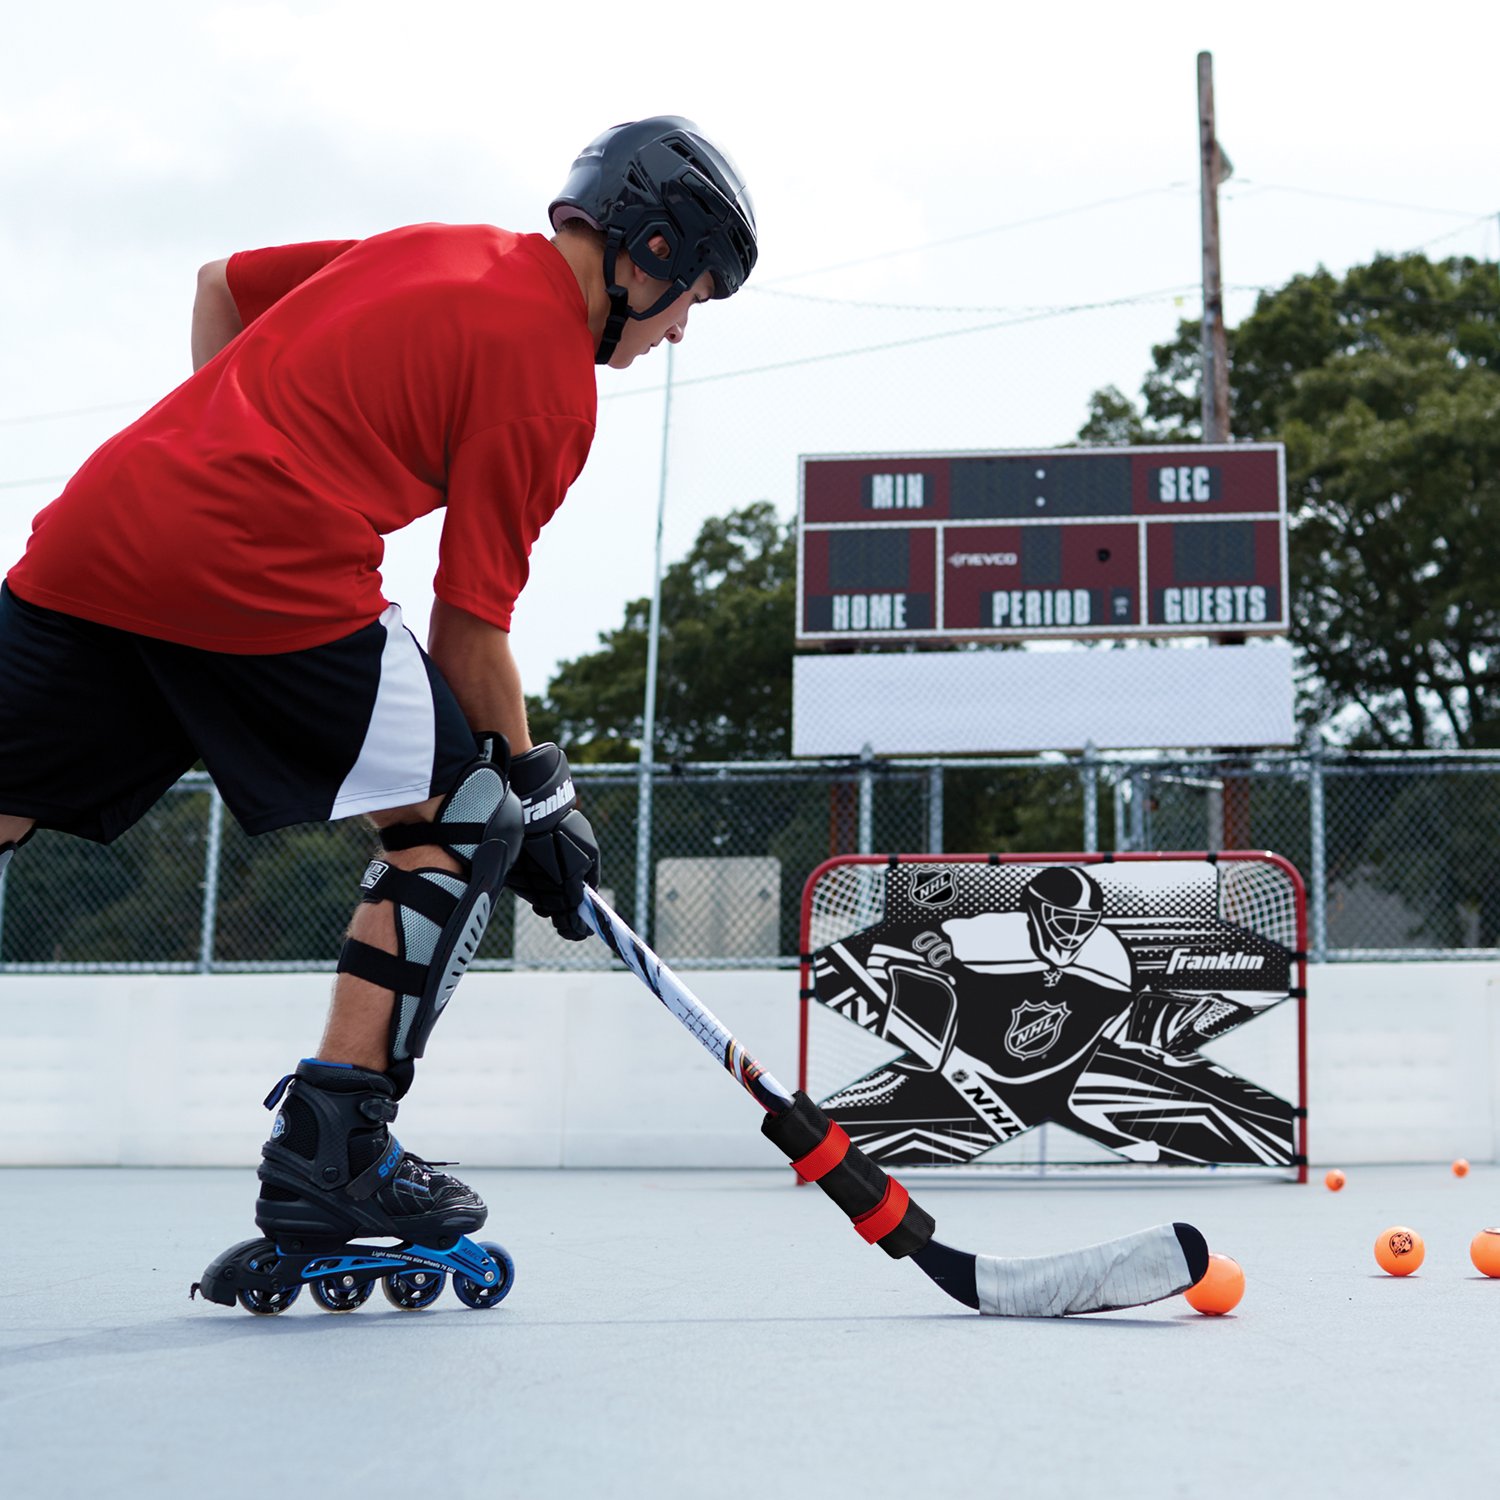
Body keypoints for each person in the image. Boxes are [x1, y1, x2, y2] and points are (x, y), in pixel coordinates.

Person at [0, 116, 757, 1300]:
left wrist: (225, 446)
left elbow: (220, 286)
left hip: (111, 522)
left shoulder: (435, 245)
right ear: (646, 252)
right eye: (691, 299)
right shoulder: (551, 384)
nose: (680, 330)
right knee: (459, 821)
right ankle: (335, 1152)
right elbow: (470, 628)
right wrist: (535, 799)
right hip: (265, 568)